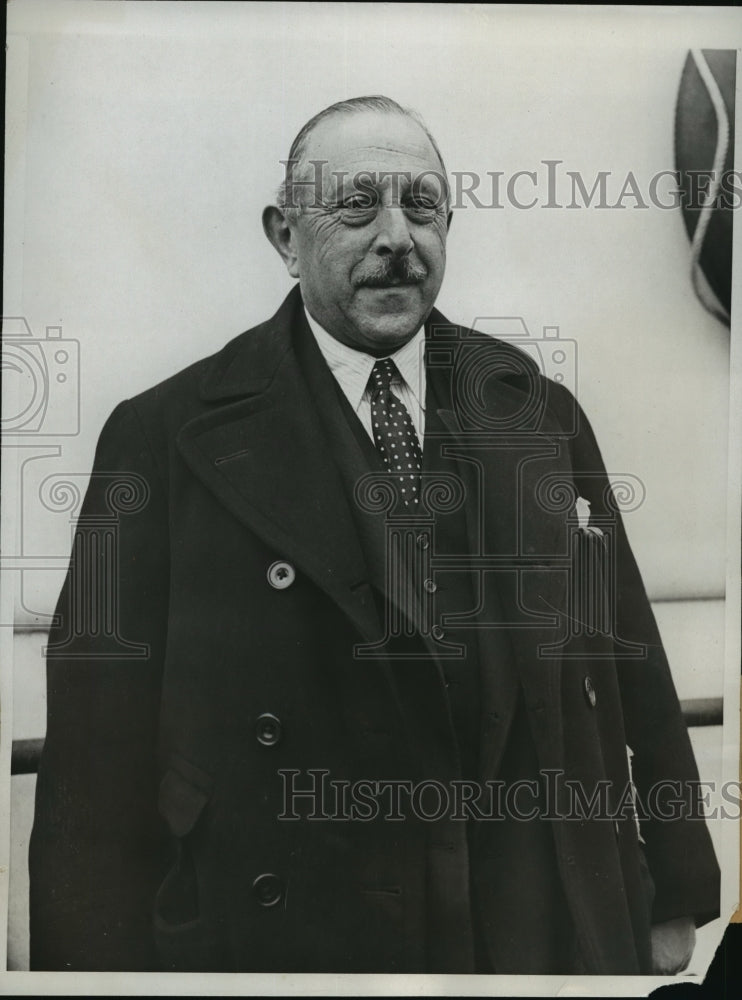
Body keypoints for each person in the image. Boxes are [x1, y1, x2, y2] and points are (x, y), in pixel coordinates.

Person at [29, 95, 719, 975]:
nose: (397, 235)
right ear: (285, 236)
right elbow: (94, 758)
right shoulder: (164, 437)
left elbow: (633, 664)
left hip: (534, 913)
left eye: (421, 205)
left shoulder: (536, 411)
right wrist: (86, 975)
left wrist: (674, 889)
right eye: (357, 206)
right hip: (298, 928)